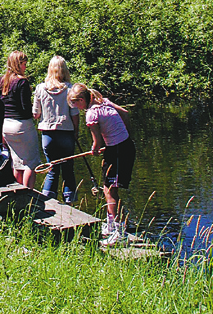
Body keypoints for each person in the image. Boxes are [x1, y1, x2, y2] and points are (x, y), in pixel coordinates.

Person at [67, 83, 136, 246]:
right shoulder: (103, 101)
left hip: (118, 151)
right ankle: (111, 226)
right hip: (124, 146)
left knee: (111, 191)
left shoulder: (91, 114)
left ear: (82, 100)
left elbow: (97, 142)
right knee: (107, 189)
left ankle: (119, 233)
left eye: (76, 104)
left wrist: (95, 150)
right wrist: (121, 134)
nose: (76, 108)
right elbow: (125, 114)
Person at [32, 56, 79, 204]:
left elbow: (36, 113)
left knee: (52, 169)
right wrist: (76, 132)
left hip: (48, 134)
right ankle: (70, 204)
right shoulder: (70, 89)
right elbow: (75, 115)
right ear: (64, 70)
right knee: (68, 170)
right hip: (66, 132)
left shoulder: (40, 88)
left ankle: (48, 203)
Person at [0, 50, 41, 189]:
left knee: (17, 162)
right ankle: (29, 194)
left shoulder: (1, 81)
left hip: (5, 125)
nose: (25, 67)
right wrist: (34, 114)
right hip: (21, 125)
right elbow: (25, 107)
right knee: (31, 163)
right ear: (18, 64)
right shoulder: (22, 82)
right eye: (24, 64)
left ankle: (17, 192)